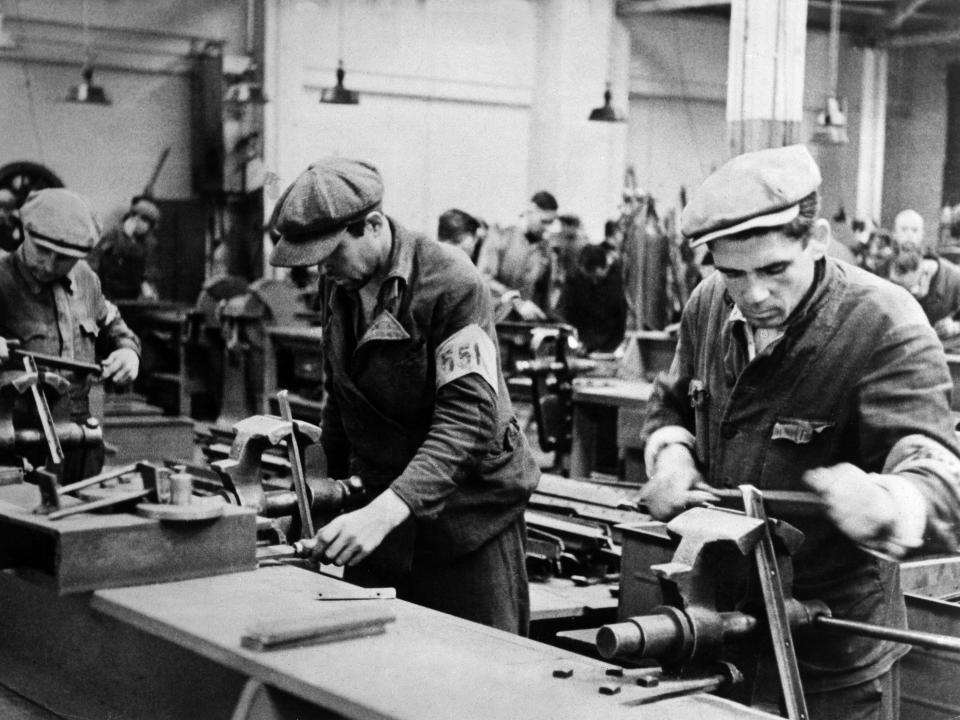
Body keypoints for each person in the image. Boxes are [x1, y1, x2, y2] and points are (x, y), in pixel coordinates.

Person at [639, 144, 960, 720]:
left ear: (815, 239)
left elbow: (938, 472)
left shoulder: (885, 323)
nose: (753, 294)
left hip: (832, 653)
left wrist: (889, 502)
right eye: (732, 272)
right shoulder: (707, 306)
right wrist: (671, 457)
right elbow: (671, 401)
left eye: (773, 270)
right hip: (715, 628)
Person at [268, 158, 539, 634]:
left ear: (372, 226)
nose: (322, 271)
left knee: (480, 678)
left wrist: (384, 512)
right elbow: (343, 399)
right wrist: (312, 504)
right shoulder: (342, 283)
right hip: (382, 513)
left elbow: (467, 422)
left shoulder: (451, 283)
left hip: (466, 519)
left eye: (330, 255)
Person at [0, 189, 141, 483]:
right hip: (12, 444)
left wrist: (127, 351)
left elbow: (112, 325)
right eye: (42, 251)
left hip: (79, 441)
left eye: (64, 258)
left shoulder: (87, 280)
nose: (50, 265)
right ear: (25, 232)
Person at [477, 190, 558, 321]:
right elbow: (484, 279)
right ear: (531, 211)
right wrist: (516, 301)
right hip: (496, 319)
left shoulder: (545, 248)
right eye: (544, 221)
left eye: (551, 223)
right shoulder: (501, 235)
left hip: (525, 324)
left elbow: (544, 297)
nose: (547, 228)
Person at [554, 242, 626, 353]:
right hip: (579, 341)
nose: (594, 282)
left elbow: (620, 318)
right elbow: (563, 310)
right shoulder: (574, 279)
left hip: (607, 345)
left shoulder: (616, 281)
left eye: (596, 278)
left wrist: (611, 347)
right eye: (589, 277)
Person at [88, 195, 162, 300]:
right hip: (109, 290)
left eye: (144, 220)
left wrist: (148, 287)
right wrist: (126, 238)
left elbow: (150, 268)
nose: (138, 221)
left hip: (132, 293)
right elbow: (105, 260)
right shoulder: (115, 235)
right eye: (135, 216)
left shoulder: (149, 242)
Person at [888, 243, 960, 348]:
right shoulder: (893, 270)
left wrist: (955, 327)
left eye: (908, 288)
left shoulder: (956, 279)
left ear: (924, 274)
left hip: (945, 351)